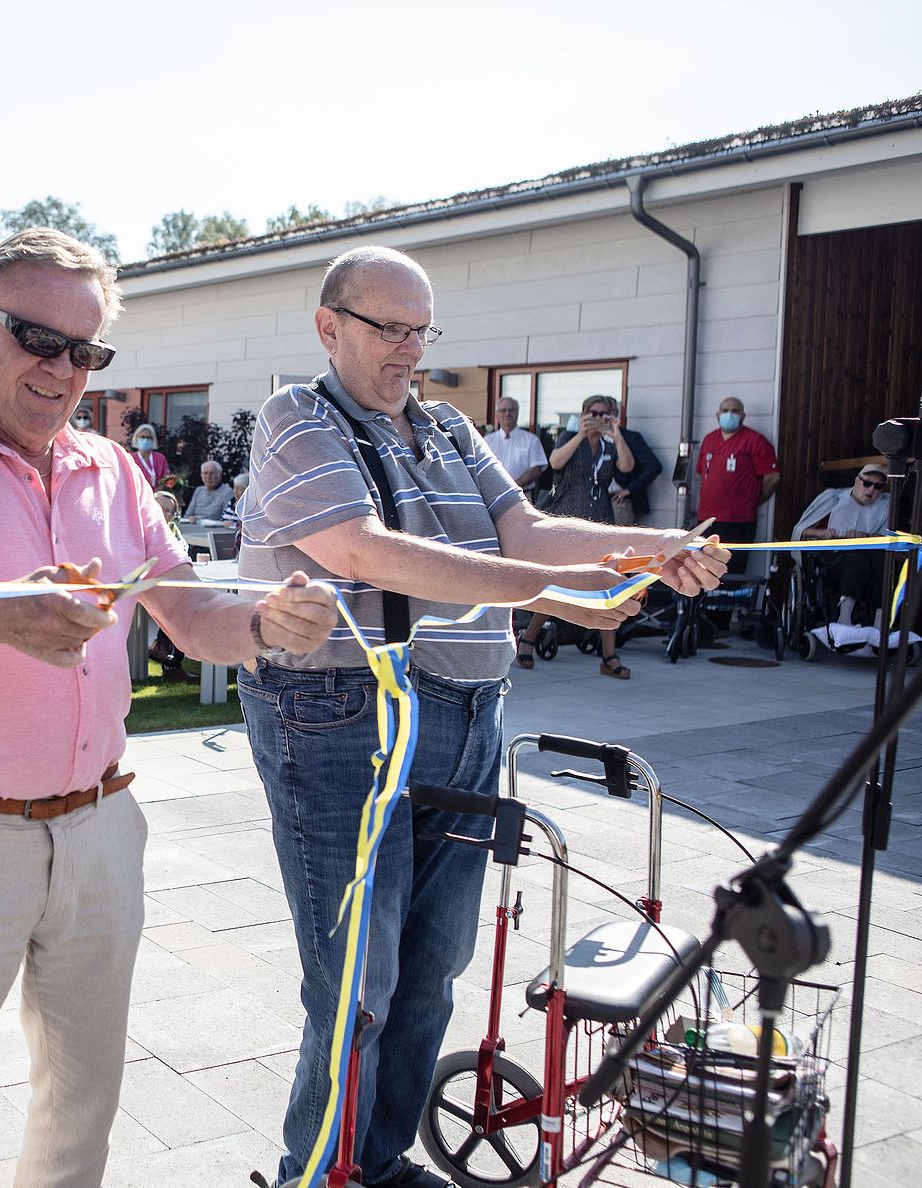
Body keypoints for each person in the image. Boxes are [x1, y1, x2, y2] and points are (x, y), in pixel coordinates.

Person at [0, 228, 337, 1188]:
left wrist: (265, 623)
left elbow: (190, 614)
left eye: (86, 352)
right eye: (39, 339)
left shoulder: (113, 468)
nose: (63, 370)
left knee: (82, 1118)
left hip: (100, 830)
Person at [237, 245, 728, 1188]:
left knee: (432, 968)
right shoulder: (296, 417)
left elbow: (527, 530)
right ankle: (318, 1174)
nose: (409, 348)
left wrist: (657, 543)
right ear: (329, 326)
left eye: (422, 330)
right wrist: (551, 591)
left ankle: (377, 1163)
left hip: (469, 707)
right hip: (342, 713)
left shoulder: (448, 426)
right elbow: (364, 550)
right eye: (390, 327)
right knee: (358, 982)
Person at [518, 393, 638, 678]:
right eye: (593, 413)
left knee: (607, 585)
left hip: (601, 522)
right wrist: (581, 434)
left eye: (604, 414)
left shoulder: (610, 444)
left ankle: (609, 656)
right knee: (559, 584)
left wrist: (617, 434)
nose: (598, 418)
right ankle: (528, 638)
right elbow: (555, 462)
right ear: (584, 414)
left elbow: (627, 467)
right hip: (570, 521)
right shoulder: (570, 437)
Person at [795, 462, 892, 624]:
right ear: (857, 481)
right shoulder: (833, 498)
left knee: (884, 561)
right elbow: (801, 530)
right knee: (857, 561)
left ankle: (880, 621)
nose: (871, 490)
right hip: (831, 554)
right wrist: (822, 533)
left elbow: (885, 537)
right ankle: (844, 618)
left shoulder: (884, 506)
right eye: (867, 483)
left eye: (878, 486)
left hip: (866, 553)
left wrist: (865, 536)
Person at [696, 396, 778, 573]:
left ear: (743, 415)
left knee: (731, 570)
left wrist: (754, 501)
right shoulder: (709, 439)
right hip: (707, 518)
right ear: (718, 415)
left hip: (738, 520)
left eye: (735, 411)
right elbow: (703, 473)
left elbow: (772, 478)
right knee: (703, 568)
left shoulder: (755, 440)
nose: (729, 414)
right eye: (725, 411)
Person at [608, 410, 663, 527]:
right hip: (593, 500)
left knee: (619, 537)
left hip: (618, 500)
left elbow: (654, 466)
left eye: (606, 413)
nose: (602, 417)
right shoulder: (589, 438)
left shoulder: (631, 437)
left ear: (615, 414)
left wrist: (630, 489)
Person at [483, 396, 546, 495]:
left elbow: (536, 469)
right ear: (497, 415)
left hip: (523, 495)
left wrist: (513, 487)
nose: (507, 414)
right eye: (503, 410)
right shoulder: (487, 441)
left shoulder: (531, 440)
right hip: (493, 496)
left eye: (511, 410)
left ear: (517, 412)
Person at [128, 422, 169, 488]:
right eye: (142, 437)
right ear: (136, 438)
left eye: (149, 437)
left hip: (157, 493)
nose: (145, 440)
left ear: (153, 440)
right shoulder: (130, 458)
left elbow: (166, 480)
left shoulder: (160, 458)